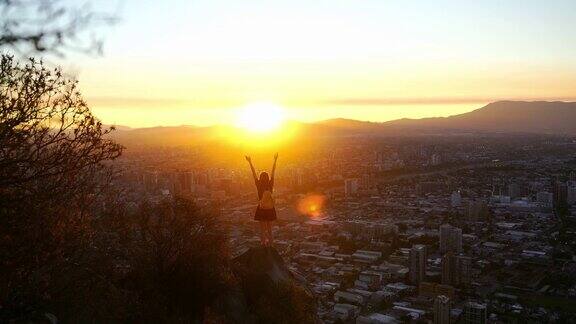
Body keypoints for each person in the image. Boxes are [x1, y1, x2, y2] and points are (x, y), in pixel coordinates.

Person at [245, 153, 278, 246]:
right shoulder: (270, 185)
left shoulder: (259, 185)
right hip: (270, 209)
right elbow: (273, 172)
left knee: (262, 229)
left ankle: (263, 244)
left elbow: (253, 173)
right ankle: (271, 245)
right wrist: (275, 160)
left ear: (260, 178)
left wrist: (250, 162)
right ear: (267, 178)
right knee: (270, 229)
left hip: (262, 208)